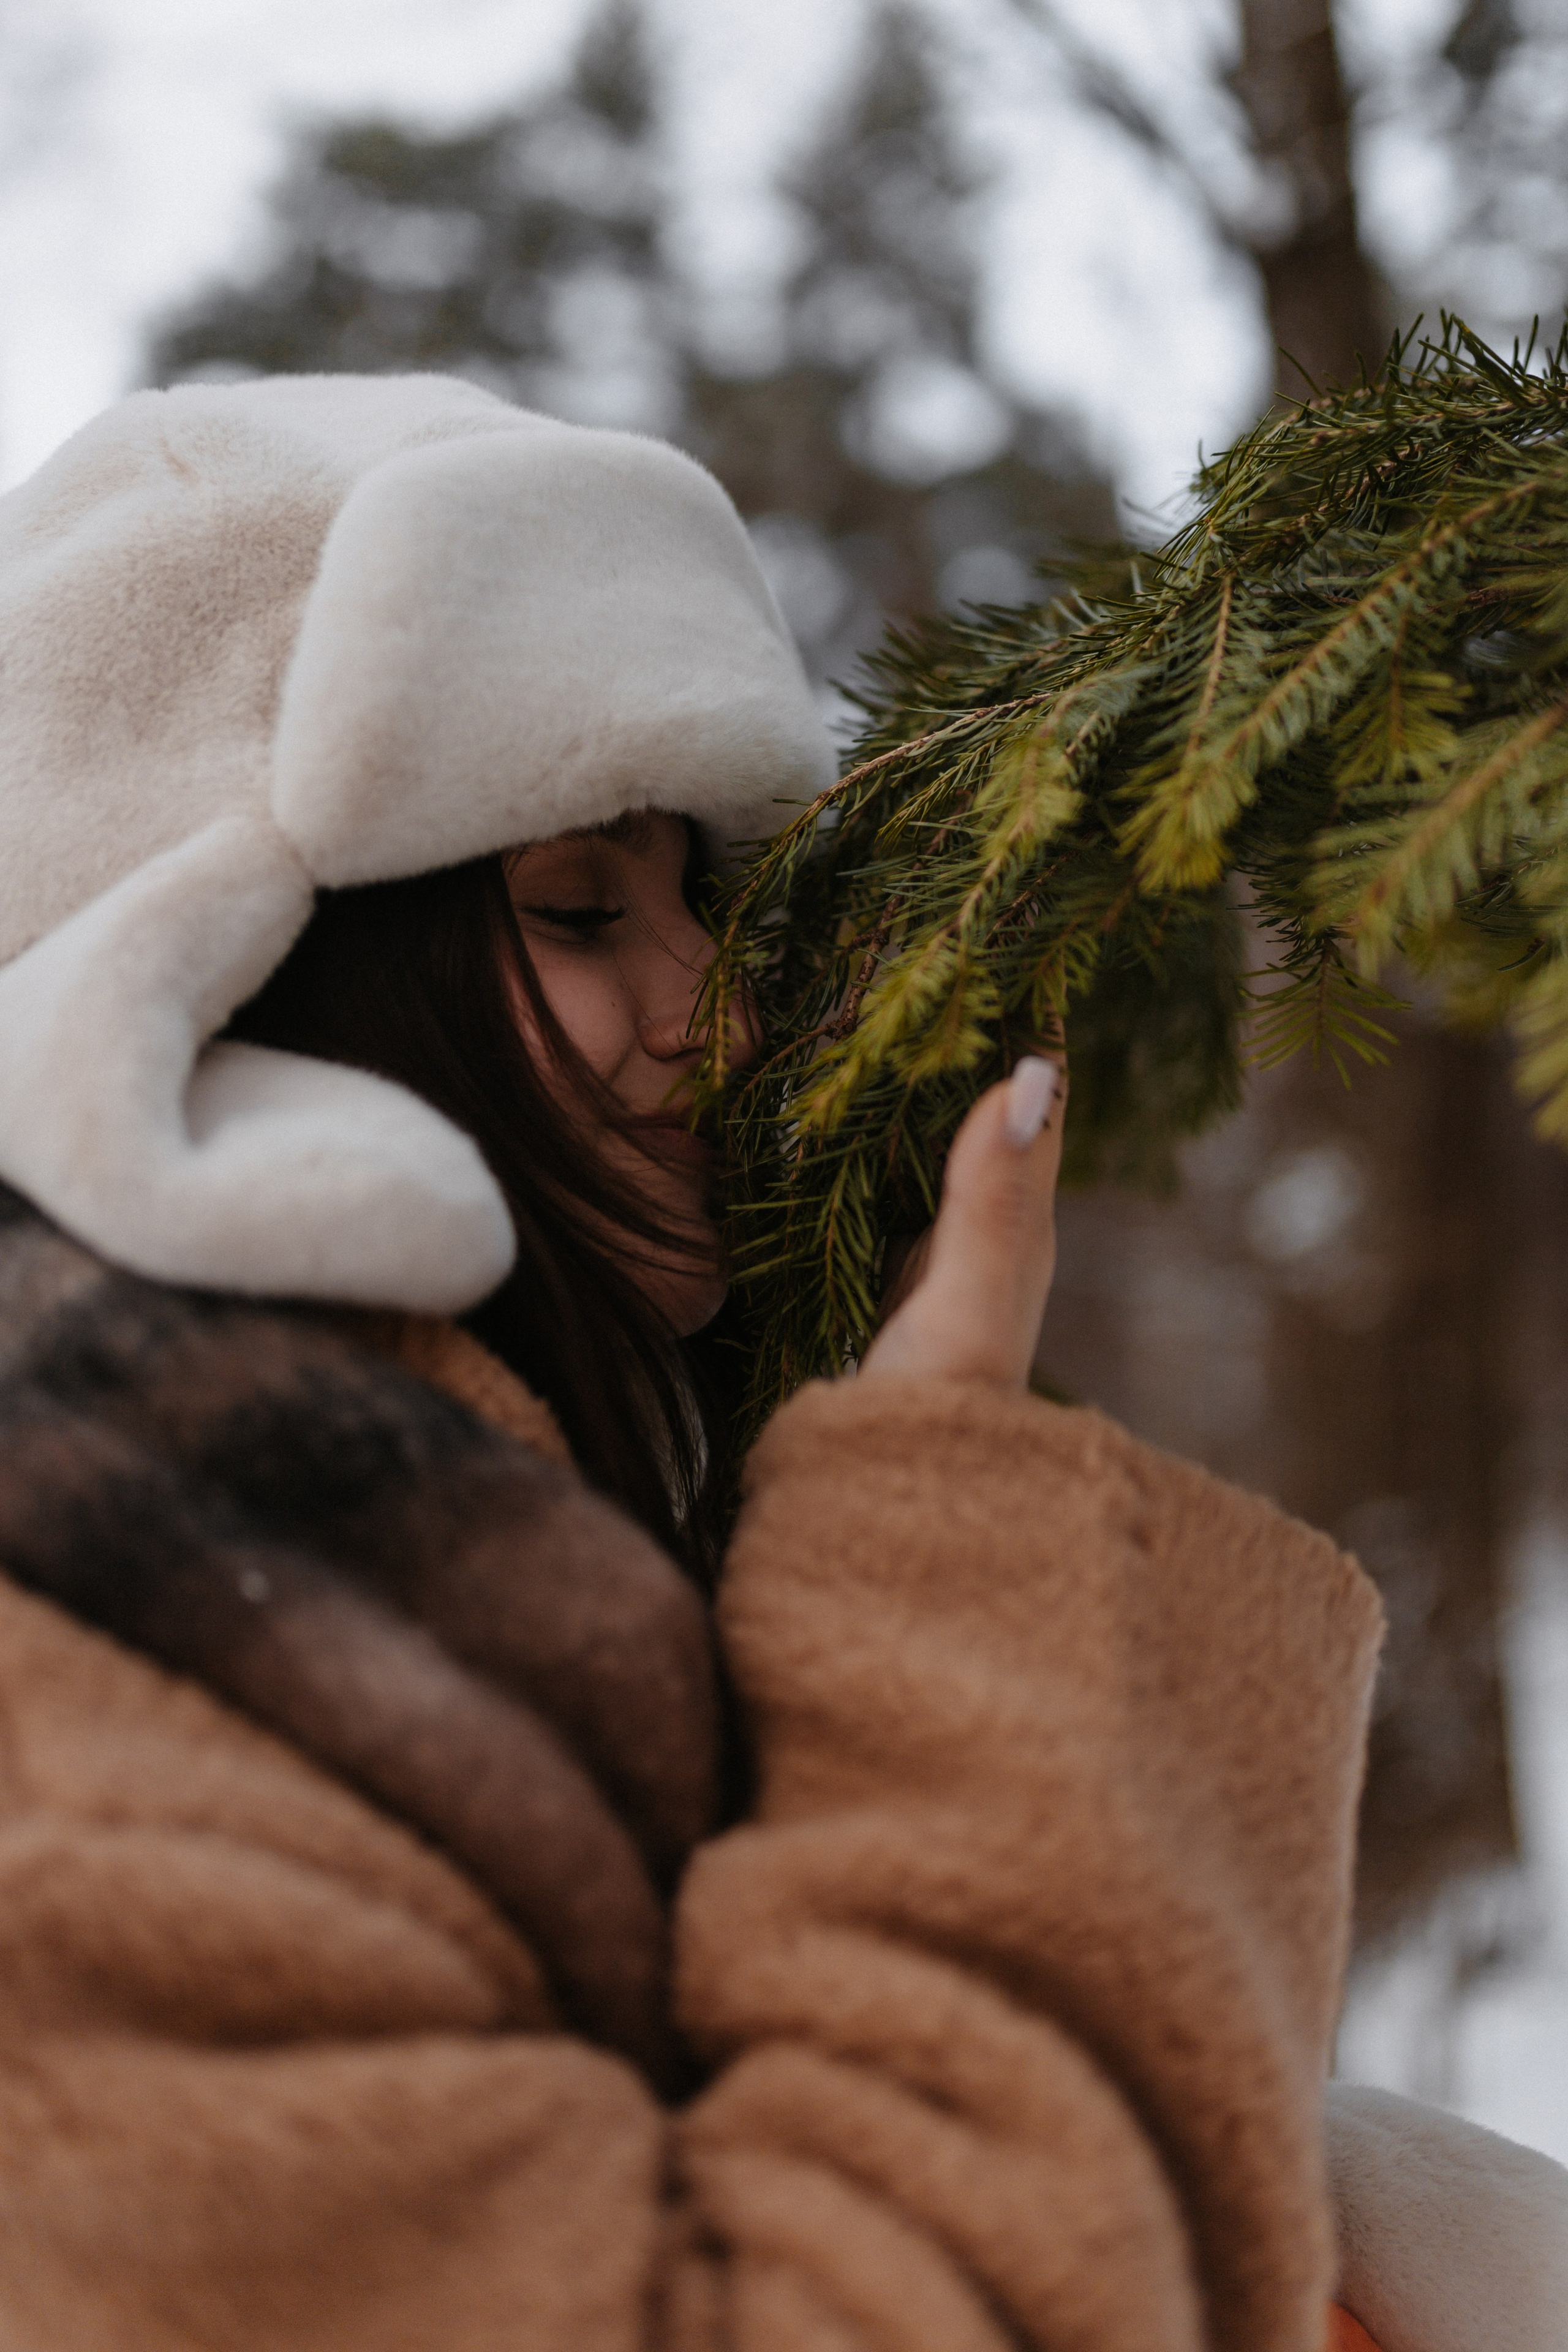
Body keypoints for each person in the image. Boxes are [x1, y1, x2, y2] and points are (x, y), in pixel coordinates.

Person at [0, 374, 1556, 2352]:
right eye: (575, 907)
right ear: (232, 976)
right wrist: (945, 1548)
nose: (711, 1020)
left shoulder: (366, 1546)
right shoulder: (95, 1652)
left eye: (699, 896)